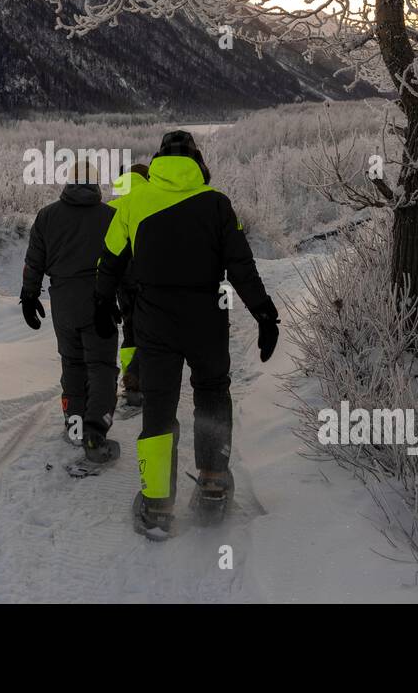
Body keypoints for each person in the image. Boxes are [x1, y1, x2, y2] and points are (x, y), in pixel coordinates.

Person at [94, 131, 279, 536]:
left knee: (159, 407)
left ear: (159, 160)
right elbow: (241, 266)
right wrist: (265, 315)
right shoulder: (217, 205)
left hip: (154, 323)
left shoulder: (133, 202)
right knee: (212, 394)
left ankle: (158, 504)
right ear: (197, 161)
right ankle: (213, 484)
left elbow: (109, 262)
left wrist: (101, 306)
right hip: (207, 320)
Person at [21, 161, 121, 464]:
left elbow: (34, 261)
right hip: (99, 299)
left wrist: (29, 295)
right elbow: (124, 261)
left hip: (62, 301)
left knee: (73, 363)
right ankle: (95, 432)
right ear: (96, 184)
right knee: (101, 366)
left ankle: (75, 424)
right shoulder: (111, 216)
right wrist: (130, 302)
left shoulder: (47, 216)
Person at [108, 163, 150, 407]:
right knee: (154, 332)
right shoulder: (156, 204)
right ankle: (149, 380)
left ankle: (132, 384)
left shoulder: (111, 209)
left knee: (130, 331)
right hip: (152, 281)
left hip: (122, 283)